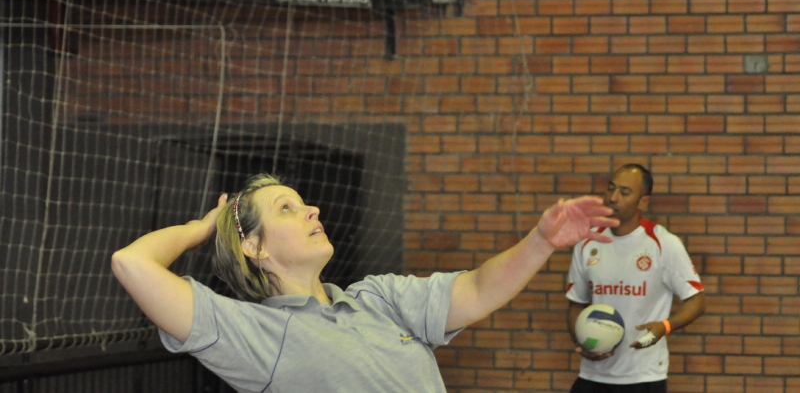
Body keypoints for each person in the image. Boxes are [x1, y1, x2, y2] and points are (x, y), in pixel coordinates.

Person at [112, 173, 618, 393]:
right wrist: (200, 229)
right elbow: (132, 264)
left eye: (304, 202)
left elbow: (478, 290)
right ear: (256, 248)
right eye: (287, 209)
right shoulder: (256, 335)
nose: (312, 209)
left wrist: (541, 240)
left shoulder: (378, 298)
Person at [565, 164, 706, 393]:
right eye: (611, 188)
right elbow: (575, 305)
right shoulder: (588, 243)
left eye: (624, 192)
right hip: (593, 375)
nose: (613, 198)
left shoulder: (663, 244)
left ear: (643, 202)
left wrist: (665, 326)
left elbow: (697, 300)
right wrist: (582, 341)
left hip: (643, 376)